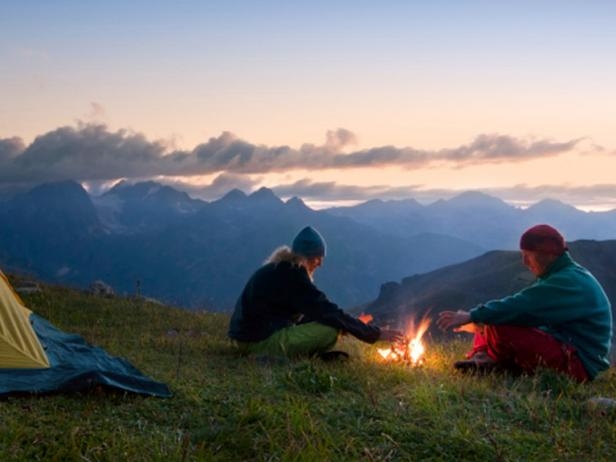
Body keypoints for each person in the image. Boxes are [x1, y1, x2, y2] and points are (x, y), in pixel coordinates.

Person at [437, 224, 612, 382]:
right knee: (492, 319)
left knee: (498, 321)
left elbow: (520, 307)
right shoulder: (562, 275)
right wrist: (480, 323)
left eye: (528, 255)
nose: (524, 262)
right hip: (568, 348)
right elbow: (529, 315)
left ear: (547, 254)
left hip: (577, 363)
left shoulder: (568, 281)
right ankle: (485, 358)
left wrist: (472, 316)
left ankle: (491, 361)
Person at [228, 226, 403, 359]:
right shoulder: (294, 276)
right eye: (318, 258)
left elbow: (313, 311)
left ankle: (306, 355)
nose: (320, 264)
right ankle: (272, 355)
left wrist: (349, 325)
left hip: (245, 338)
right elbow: (326, 309)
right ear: (307, 257)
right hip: (257, 343)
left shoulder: (280, 269)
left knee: (329, 322)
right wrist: (374, 333)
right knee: (329, 331)